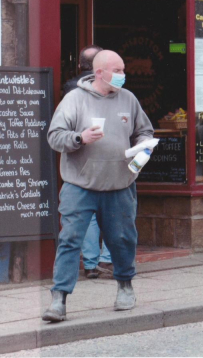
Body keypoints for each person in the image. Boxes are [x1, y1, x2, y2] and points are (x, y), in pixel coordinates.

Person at [43, 50, 154, 322]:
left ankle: (125, 286)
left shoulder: (128, 99)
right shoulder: (74, 100)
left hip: (119, 183)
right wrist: (80, 138)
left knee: (123, 240)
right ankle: (59, 299)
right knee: (70, 241)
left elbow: (145, 131)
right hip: (80, 185)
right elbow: (54, 137)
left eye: (124, 69)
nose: (123, 75)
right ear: (100, 73)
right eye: (117, 70)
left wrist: (143, 151)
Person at [63, 44, 113, 279]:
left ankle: (91, 263)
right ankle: (108, 260)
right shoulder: (109, 89)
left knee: (90, 216)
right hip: (106, 158)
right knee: (111, 213)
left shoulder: (69, 88)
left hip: (80, 160)